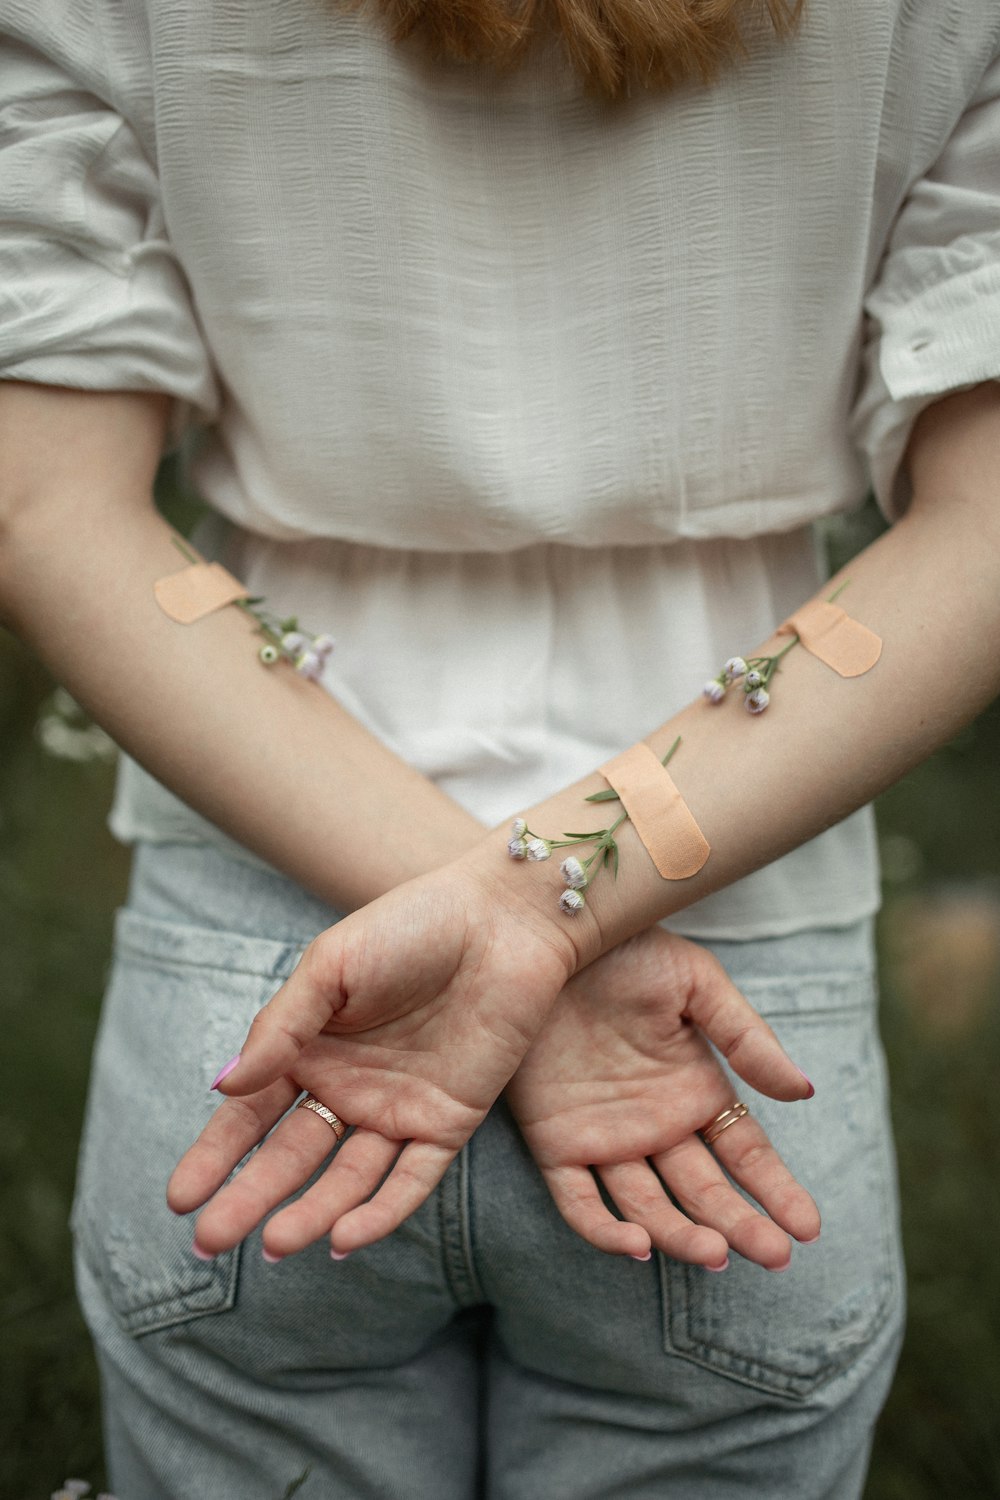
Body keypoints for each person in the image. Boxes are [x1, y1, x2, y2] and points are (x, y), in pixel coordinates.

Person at [1, 0, 998, 1494]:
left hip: (274, 983)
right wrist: (539, 932)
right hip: (724, 980)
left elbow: (43, 505)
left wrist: (514, 925)